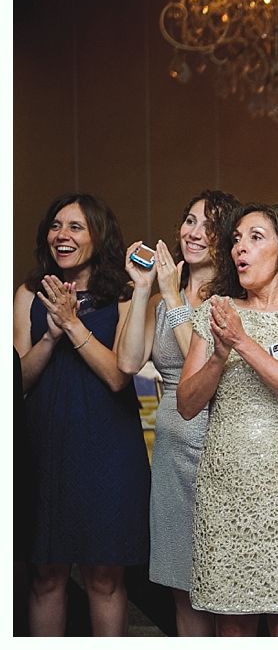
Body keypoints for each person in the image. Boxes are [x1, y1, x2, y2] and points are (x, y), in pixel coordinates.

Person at [176, 203, 278, 636]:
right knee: (232, 622)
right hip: (225, 488)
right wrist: (219, 355)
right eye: (235, 240)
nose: (240, 249)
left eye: (255, 237)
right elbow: (187, 404)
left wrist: (243, 343)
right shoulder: (215, 311)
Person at [14, 193, 151, 636]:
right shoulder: (30, 294)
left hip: (107, 448)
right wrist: (51, 335)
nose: (62, 235)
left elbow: (118, 377)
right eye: (56, 225)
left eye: (75, 226)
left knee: (104, 577)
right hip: (44, 446)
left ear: (99, 236)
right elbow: (16, 381)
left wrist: (73, 324)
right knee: (45, 575)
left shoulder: (125, 296)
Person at [116, 190, 241, 636]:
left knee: (223, 587)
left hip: (218, 444)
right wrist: (144, 288)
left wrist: (173, 297)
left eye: (209, 225)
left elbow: (201, 368)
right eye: (189, 220)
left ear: (225, 238)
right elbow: (128, 362)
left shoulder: (234, 300)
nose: (194, 232)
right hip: (170, 451)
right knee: (181, 586)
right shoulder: (160, 293)